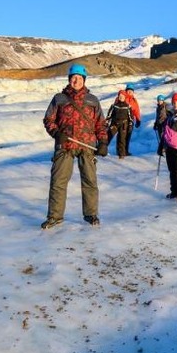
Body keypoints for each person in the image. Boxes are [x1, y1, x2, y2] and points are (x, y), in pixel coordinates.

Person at [41, 64, 108, 229]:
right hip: (65, 145)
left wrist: (103, 142)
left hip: (87, 145)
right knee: (58, 181)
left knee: (90, 181)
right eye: (73, 77)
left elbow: (100, 123)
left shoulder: (92, 100)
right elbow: (48, 120)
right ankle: (55, 216)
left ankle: (91, 214)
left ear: (84, 80)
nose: (76, 80)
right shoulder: (59, 98)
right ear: (69, 79)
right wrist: (57, 134)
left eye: (79, 78)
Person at [106, 90, 133, 159]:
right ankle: (102, 149)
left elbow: (130, 117)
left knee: (122, 139)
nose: (121, 98)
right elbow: (109, 115)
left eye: (122, 96)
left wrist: (130, 124)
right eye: (120, 96)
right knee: (108, 136)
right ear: (118, 97)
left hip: (123, 124)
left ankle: (121, 153)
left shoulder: (128, 107)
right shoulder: (114, 105)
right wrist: (107, 121)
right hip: (114, 123)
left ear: (125, 97)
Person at [123, 83, 141, 155]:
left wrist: (138, 120)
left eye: (131, 90)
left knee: (128, 135)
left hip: (131, 120)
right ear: (126, 91)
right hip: (123, 120)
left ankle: (126, 151)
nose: (130, 92)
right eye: (128, 90)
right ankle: (121, 151)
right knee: (122, 136)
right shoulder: (123, 98)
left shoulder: (134, 100)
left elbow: (137, 110)